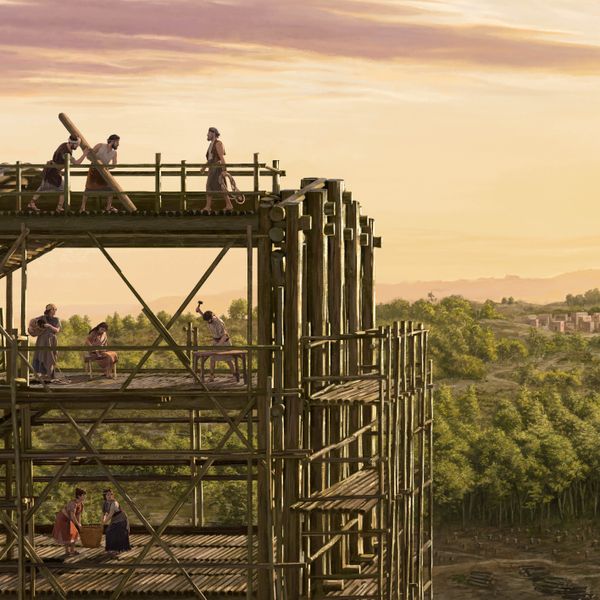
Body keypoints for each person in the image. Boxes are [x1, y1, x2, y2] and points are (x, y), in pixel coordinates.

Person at [28, 135, 88, 212]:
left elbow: (58, 161)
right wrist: (84, 154)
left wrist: (60, 169)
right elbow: (77, 163)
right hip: (53, 172)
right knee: (63, 189)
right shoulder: (66, 153)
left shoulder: (64, 145)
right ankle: (59, 207)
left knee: (43, 187)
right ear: (72, 143)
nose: (77, 146)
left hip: (52, 169)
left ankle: (32, 203)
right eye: (77, 144)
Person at [195, 301, 236, 381]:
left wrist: (218, 345)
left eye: (209, 320)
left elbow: (225, 335)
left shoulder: (219, 322)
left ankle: (234, 375)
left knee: (228, 360)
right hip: (216, 341)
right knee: (212, 359)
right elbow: (206, 318)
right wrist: (199, 311)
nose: (208, 322)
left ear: (212, 317)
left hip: (224, 342)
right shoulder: (209, 319)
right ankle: (212, 376)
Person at [80, 134, 120, 213]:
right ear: (112, 141)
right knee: (88, 189)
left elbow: (114, 164)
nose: (118, 144)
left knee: (110, 189)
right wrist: (95, 161)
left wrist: (107, 168)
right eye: (117, 142)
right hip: (94, 170)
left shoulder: (114, 153)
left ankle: (108, 207)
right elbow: (89, 156)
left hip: (103, 172)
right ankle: (82, 208)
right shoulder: (100, 146)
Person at [199, 127, 233, 213]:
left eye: (209, 133)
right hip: (212, 168)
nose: (207, 135)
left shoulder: (218, 144)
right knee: (212, 186)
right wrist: (204, 167)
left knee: (219, 186)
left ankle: (209, 206)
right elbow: (210, 159)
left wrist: (224, 170)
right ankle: (225, 205)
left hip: (217, 168)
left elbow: (221, 157)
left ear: (213, 133)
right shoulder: (211, 144)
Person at [31, 303, 61, 381]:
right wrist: (31, 327)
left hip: (52, 340)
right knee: (41, 355)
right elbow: (33, 321)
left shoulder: (56, 319)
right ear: (50, 310)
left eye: (55, 309)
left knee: (51, 356)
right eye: (54, 309)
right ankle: (43, 375)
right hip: (42, 339)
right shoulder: (42, 318)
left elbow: (57, 330)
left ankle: (49, 375)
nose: (55, 311)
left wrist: (49, 326)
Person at [52, 487, 86, 556]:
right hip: (63, 519)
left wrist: (79, 524)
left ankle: (70, 551)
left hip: (68, 519)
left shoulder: (81, 504)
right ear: (79, 496)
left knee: (73, 533)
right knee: (69, 534)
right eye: (83, 495)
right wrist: (77, 524)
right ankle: (69, 551)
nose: (85, 497)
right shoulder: (73, 504)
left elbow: (78, 515)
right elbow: (73, 516)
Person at [102, 489, 130, 554]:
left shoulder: (114, 503)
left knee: (114, 532)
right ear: (105, 496)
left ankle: (117, 549)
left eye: (111, 494)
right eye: (108, 494)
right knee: (108, 531)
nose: (110, 496)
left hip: (121, 520)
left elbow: (110, 514)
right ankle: (111, 549)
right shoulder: (105, 503)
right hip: (114, 520)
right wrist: (102, 521)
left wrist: (103, 523)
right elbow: (103, 513)